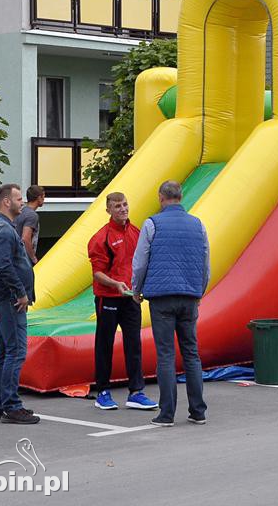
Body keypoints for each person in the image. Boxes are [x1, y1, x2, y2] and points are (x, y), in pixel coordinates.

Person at [132, 180, 209, 427]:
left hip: (162, 297)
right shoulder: (198, 225)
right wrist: (199, 291)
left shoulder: (151, 224)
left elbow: (140, 261)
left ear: (160, 197)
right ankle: (198, 411)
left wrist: (137, 289)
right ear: (181, 196)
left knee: (166, 354)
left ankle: (166, 414)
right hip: (189, 296)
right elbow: (206, 263)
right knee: (191, 353)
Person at [87, 192, 157, 412]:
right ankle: (103, 392)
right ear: (108, 210)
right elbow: (97, 273)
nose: (123, 209)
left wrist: (142, 288)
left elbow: (145, 262)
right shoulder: (101, 238)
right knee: (104, 344)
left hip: (131, 299)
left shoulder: (137, 232)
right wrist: (116, 284)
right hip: (108, 297)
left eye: (125, 204)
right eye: (117, 206)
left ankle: (136, 392)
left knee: (133, 344)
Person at [0, 184, 39, 424]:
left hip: (3, 297)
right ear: (6, 202)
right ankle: (11, 406)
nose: (22, 202)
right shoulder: (4, 231)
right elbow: (4, 265)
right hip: (9, 299)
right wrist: (20, 293)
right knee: (16, 350)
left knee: (5, 351)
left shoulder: (1, 226)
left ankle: (1, 404)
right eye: (18, 199)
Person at [13, 185, 45, 266]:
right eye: (43, 197)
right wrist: (33, 258)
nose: (44, 200)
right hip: (24, 258)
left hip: (14, 255)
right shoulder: (32, 215)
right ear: (38, 198)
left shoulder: (21, 211)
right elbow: (25, 238)